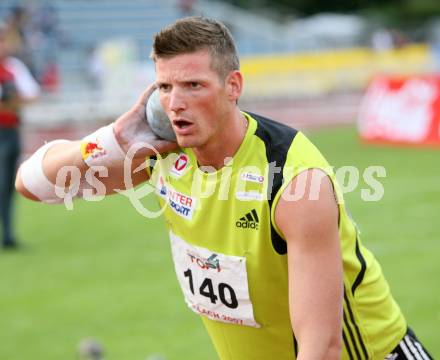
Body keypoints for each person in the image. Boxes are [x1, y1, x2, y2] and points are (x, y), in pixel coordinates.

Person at [15, 17, 432, 359]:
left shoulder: (294, 180)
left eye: (193, 85)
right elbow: (35, 184)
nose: (175, 102)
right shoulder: (163, 154)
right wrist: (114, 138)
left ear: (233, 86)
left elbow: (321, 348)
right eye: (164, 87)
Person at [0, 21, 40, 249]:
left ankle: (8, 235)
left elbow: (33, 94)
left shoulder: (13, 67)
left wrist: (13, 102)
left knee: (6, 186)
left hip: (9, 132)